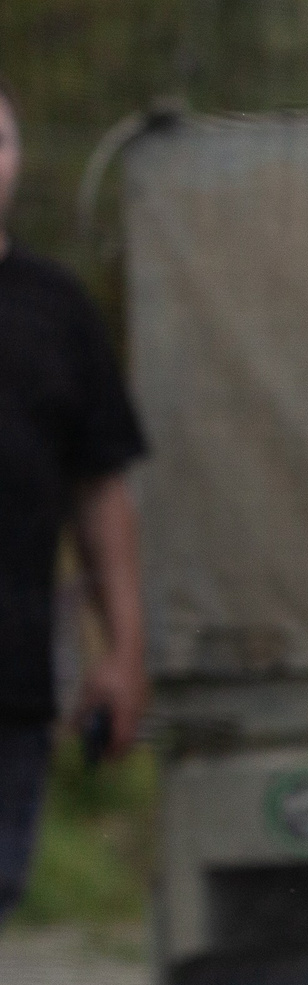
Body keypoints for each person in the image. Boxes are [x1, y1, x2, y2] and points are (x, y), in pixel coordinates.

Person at [0, 78, 151, 927]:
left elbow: (102, 489)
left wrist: (122, 651)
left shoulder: (56, 311)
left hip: (13, 684)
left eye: (0, 141)